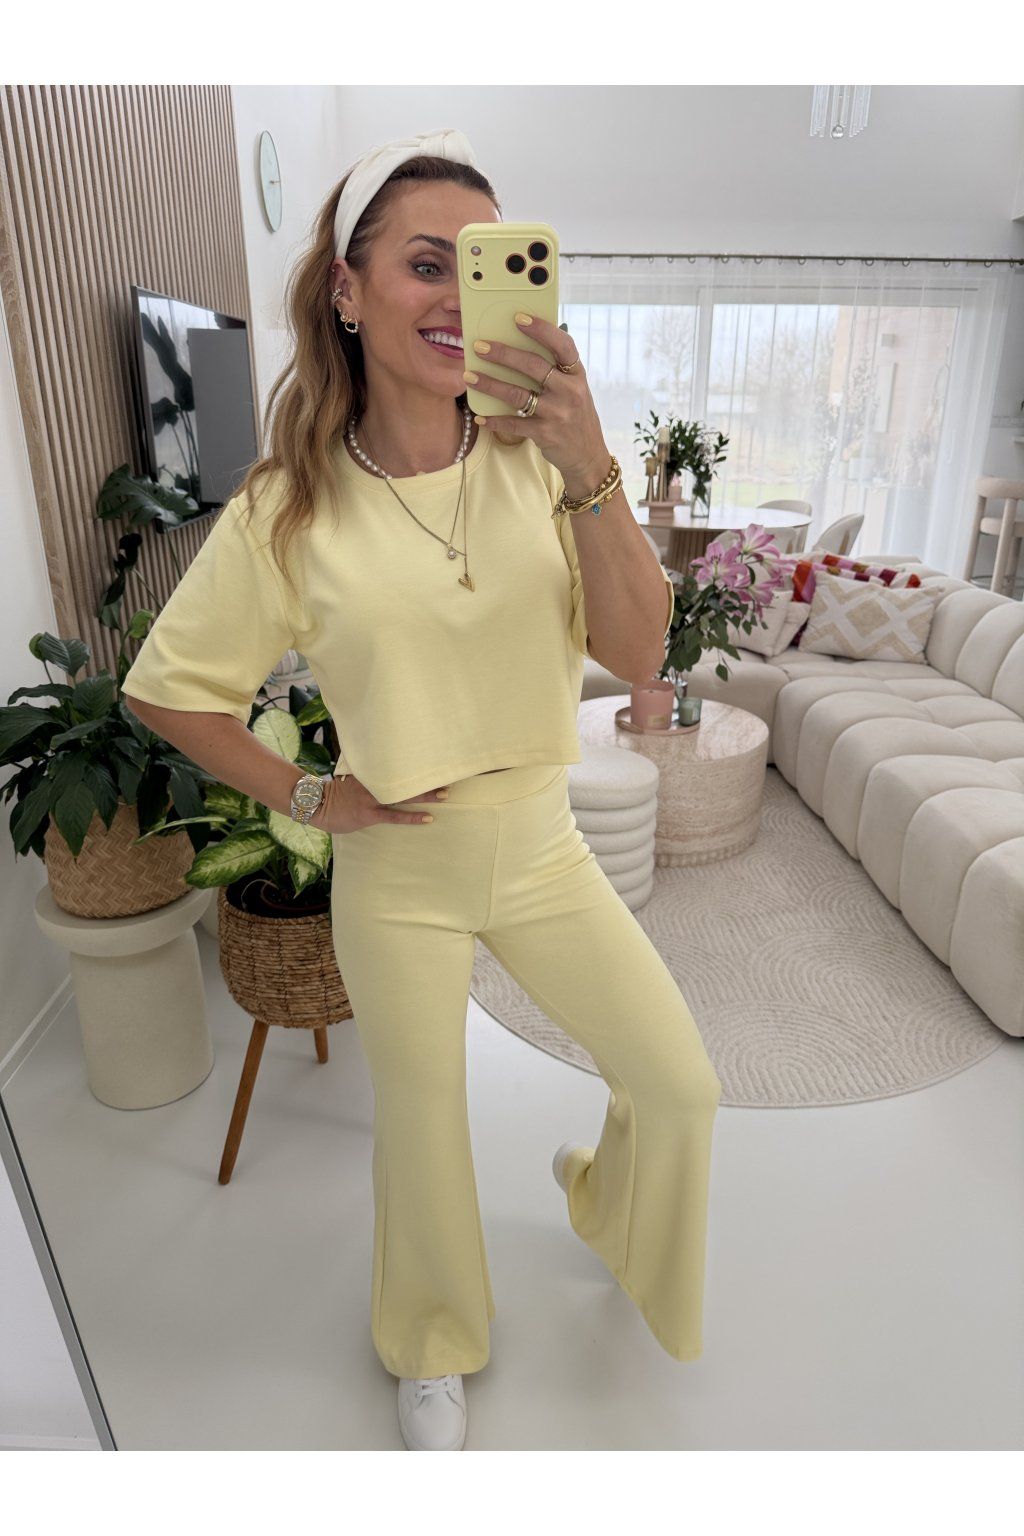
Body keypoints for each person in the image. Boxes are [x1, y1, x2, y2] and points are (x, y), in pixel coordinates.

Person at [121, 127, 723, 1453]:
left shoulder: (539, 458)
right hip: (400, 865)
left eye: (488, 264)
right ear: (348, 290)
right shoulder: (288, 506)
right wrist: (310, 798)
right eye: (425, 264)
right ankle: (433, 1339)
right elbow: (167, 691)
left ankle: (606, 1204)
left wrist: (589, 463)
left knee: (678, 1083)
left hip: (543, 843)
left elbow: (639, 655)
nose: (458, 296)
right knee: (425, 1130)